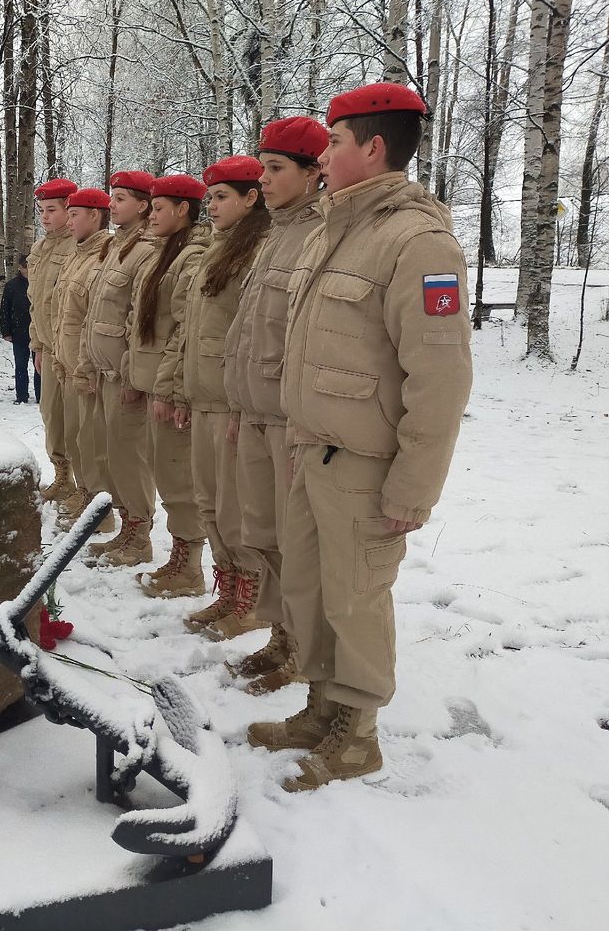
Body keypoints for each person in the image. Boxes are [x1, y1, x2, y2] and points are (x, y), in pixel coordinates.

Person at [247, 83, 473, 792]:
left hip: (368, 468)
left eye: (335, 143)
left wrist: (414, 487)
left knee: (355, 598)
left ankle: (360, 734)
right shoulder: (333, 230)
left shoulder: (419, 241)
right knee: (311, 592)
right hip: (314, 452)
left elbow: (440, 377)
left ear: (373, 148)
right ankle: (323, 708)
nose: (326, 154)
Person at [221, 117, 328, 691]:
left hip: (289, 418)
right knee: (259, 531)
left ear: (314, 174)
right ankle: (281, 634)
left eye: (276, 168)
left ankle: (301, 648)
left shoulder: (318, 234)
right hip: (255, 411)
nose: (263, 179)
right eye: (262, 167)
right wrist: (239, 405)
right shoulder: (275, 235)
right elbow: (248, 330)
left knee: (295, 541)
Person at [178, 157, 271, 641]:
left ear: (251, 198)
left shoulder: (258, 249)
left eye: (221, 197)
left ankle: (250, 601)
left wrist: (241, 404)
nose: (210, 205)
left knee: (237, 509)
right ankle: (228, 586)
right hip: (204, 396)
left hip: (232, 402)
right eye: (210, 197)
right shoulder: (219, 249)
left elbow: (251, 336)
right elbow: (193, 329)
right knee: (210, 503)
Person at [126, 176, 210, 598]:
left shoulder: (190, 256)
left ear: (183, 210)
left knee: (178, 477)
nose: (152, 215)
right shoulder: (166, 253)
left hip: (171, 386)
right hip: (155, 380)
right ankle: (180, 557)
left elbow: (183, 329)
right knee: (165, 471)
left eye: (159, 208)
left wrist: (170, 390)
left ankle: (189, 564)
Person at [79, 171, 159, 566]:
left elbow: (139, 320)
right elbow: (97, 312)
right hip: (106, 371)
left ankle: (140, 535)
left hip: (126, 376)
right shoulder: (117, 247)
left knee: (130, 458)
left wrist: (131, 374)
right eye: (112, 197)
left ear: (143, 205)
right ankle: (127, 527)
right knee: (111, 455)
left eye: (122, 198)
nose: (112, 205)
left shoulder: (146, 249)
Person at [52, 187, 113, 528]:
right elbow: (64, 311)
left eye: (75, 214)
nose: (69, 221)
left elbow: (95, 315)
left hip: (88, 365)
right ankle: (86, 492)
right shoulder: (78, 253)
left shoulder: (104, 252)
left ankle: (99, 508)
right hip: (68, 360)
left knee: (92, 441)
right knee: (76, 434)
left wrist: (86, 362)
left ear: (95, 215)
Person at [26, 178, 79, 499]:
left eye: (51, 210)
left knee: (76, 421)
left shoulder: (78, 245)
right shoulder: (41, 248)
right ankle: (63, 476)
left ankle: (84, 487)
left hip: (72, 351)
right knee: (52, 415)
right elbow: (38, 302)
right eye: (41, 210)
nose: (45, 217)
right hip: (49, 347)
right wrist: (38, 345)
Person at [0, 254, 38, 404]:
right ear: (20, 268)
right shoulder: (12, 286)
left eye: (31, 267)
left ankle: (41, 395)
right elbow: (4, 310)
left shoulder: (40, 283)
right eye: (25, 267)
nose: (29, 270)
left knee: (39, 366)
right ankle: (21, 395)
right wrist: (6, 331)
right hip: (19, 331)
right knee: (21, 365)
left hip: (38, 332)